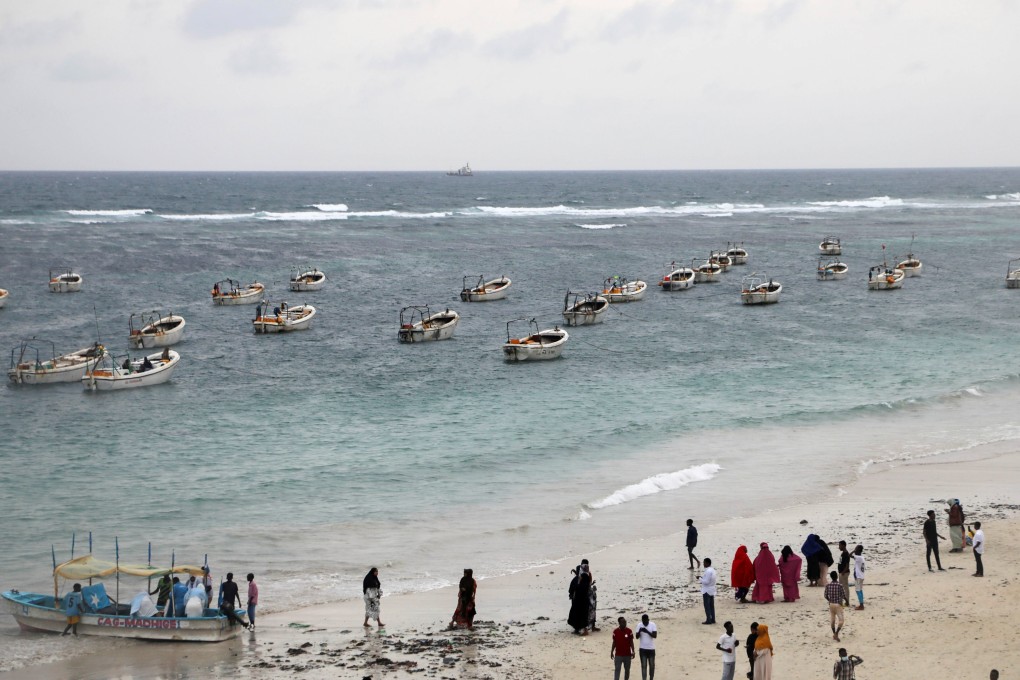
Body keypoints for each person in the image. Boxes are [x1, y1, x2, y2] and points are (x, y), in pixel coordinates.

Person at [568, 563, 592, 634]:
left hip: (579, 600)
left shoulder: (579, 579)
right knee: (582, 615)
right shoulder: (586, 577)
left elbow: (573, 589)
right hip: (583, 600)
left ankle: (580, 630)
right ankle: (581, 629)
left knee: (578, 615)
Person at [611, 616, 635, 680]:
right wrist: (611, 652)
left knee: (627, 670)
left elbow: (631, 642)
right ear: (619, 623)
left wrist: (633, 651)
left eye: (625, 622)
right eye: (623, 622)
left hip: (627, 654)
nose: (624, 623)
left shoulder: (629, 631)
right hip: (618, 655)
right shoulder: (615, 632)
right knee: (617, 670)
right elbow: (614, 642)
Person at [824, 571, 846, 641]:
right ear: (836, 576)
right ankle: (836, 633)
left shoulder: (828, 585)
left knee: (832, 620)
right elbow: (843, 595)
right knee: (841, 620)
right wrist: (847, 601)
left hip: (831, 604)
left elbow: (825, 595)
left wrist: (829, 600)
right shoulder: (840, 585)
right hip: (838, 604)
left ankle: (834, 634)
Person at [635, 614, 657, 680]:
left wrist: (647, 631)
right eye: (643, 622)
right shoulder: (639, 625)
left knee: (652, 666)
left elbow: (655, 636)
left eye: (646, 622)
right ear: (642, 621)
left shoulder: (653, 624)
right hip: (642, 649)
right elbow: (636, 637)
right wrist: (640, 631)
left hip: (651, 649)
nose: (645, 623)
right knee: (644, 666)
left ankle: (651, 678)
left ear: (648, 620)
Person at [701, 557, 717, 624]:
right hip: (712, 589)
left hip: (707, 590)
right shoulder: (713, 570)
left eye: (704, 562)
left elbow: (706, 582)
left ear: (707, 563)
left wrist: (699, 579)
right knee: (711, 605)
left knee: (707, 605)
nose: (703, 564)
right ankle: (713, 619)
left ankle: (709, 619)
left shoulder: (708, 571)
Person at [837, 541, 852, 607]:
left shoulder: (846, 554)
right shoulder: (843, 553)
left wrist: (843, 572)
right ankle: (841, 601)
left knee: (845, 587)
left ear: (843, 545)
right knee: (841, 587)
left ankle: (847, 602)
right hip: (841, 572)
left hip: (844, 573)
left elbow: (847, 565)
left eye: (840, 545)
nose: (839, 547)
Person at [852, 545, 865, 610]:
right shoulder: (862, 557)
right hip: (861, 576)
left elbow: (849, 555)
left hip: (858, 577)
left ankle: (861, 605)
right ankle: (861, 603)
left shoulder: (858, 557)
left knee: (857, 590)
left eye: (856, 549)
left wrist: (854, 551)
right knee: (860, 590)